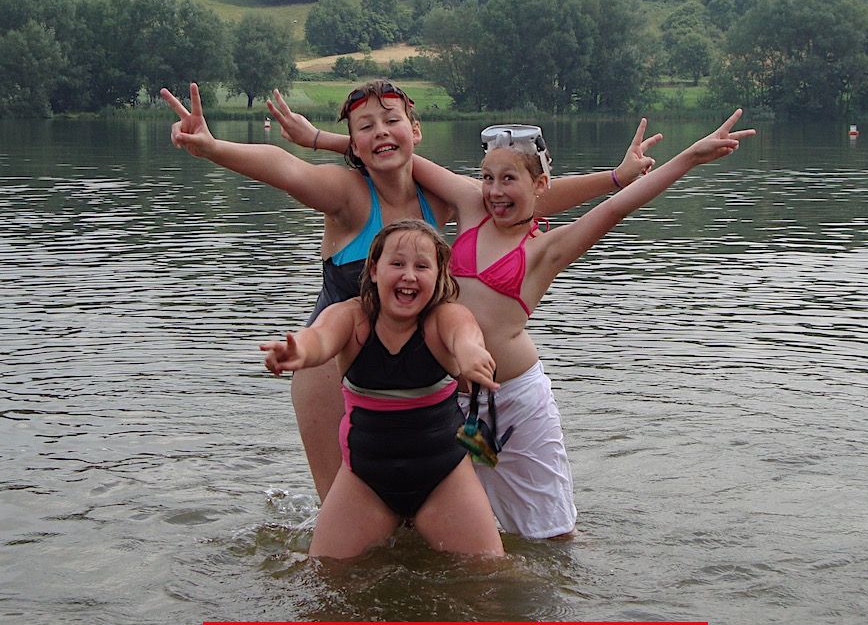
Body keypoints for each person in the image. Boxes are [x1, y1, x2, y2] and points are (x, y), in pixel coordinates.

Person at [276, 102, 753, 539]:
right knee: (444, 521)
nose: (495, 191)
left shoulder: (546, 249)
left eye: (509, 180)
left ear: (540, 187)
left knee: (550, 529)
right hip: (453, 403)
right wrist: (320, 139)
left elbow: (619, 207)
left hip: (516, 402)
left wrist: (688, 158)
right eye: (488, 178)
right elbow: (397, 156)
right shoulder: (470, 209)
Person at [166, 79, 659, 502]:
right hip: (333, 362)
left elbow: (522, 195)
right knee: (340, 507)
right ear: (354, 143)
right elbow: (287, 169)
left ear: (414, 131)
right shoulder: (347, 194)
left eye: (391, 121)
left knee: (415, 511)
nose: (381, 131)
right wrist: (213, 148)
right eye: (366, 127)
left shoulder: (439, 197)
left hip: (412, 368)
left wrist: (616, 178)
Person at [261, 219, 504, 559]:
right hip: (364, 481)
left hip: (445, 478)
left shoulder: (445, 318)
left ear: (439, 275)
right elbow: (320, 336)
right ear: (375, 270)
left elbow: (465, 336)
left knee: (489, 575)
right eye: (397, 264)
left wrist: (470, 355)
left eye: (422, 266)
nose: (409, 276)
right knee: (325, 576)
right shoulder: (352, 318)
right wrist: (299, 351)